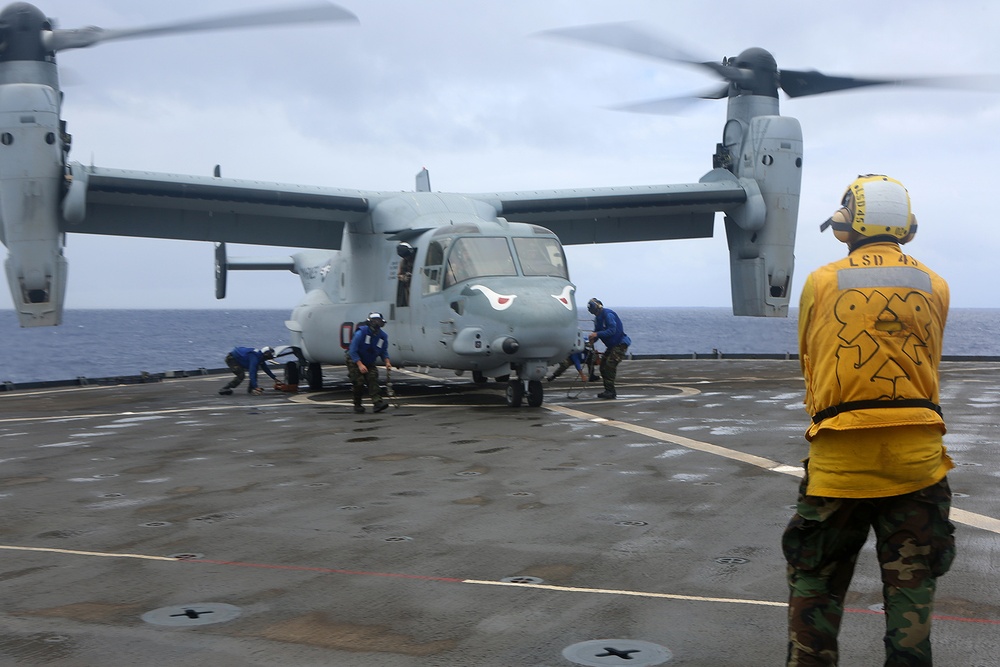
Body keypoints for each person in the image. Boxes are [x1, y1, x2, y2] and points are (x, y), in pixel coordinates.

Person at [783, 175, 954, 666]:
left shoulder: (822, 280)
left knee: (815, 585)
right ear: (907, 227)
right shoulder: (935, 284)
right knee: (912, 594)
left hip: (840, 463)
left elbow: (810, 361)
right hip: (918, 464)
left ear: (847, 224)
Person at [345, 311, 393, 414]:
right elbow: (352, 350)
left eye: (378, 321)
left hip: (369, 360)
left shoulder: (382, 336)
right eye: (374, 320)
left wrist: (387, 361)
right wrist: (360, 364)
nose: (376, 323)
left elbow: (383, 351)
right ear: (369, 322)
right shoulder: (361, 333)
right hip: (354, 359)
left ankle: (377, 403)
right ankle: (357, 404)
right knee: (359, 382)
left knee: (373, 377)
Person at [586, 298, 630, 399]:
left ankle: (611, 391)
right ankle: (608, 390)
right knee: (603, 367)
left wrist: (596, 334)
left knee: (610, 366)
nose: (595, 314)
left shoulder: (608, 315)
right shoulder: (598, 319)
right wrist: (592, 339)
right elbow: (598, 333)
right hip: (612, 346)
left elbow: (612, 330)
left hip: (620, 344)